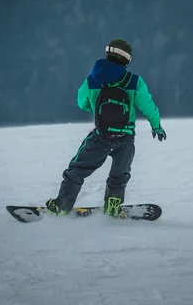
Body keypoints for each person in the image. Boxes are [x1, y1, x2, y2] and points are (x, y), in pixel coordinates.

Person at [45, 38, 166, 218]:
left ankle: (62, 206)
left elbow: (81, 102)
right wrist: (156, 126)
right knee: (119, 175)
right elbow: (148, 106)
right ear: (127, 59)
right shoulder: (134, 81)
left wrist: (96, 108)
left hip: (100, 136)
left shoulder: (92, 80)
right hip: (125, 139)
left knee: (76, 171)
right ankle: (113, 206)